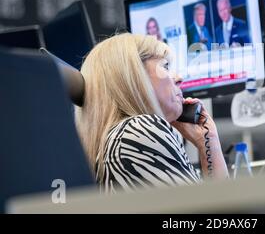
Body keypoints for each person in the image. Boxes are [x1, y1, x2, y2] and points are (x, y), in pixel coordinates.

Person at [75, 33, 228, 193]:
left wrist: (207, 141)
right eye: (166, 66)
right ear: (135, 77)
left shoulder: (120, 138)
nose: (179, 78)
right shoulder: (137, 130)